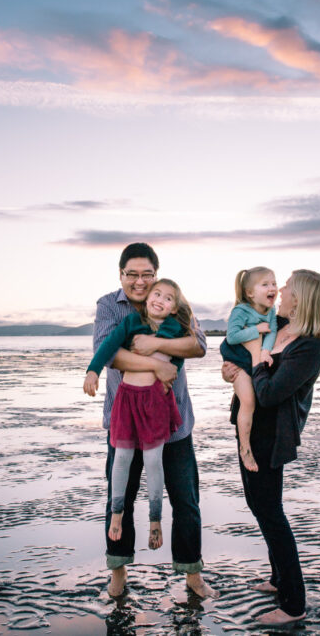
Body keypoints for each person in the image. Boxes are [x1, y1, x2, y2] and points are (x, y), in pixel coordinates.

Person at [90, 243, 216, 599]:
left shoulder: (173, 301)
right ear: (121, 275)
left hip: (173, 423)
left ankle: (192, 575)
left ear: (156, 275)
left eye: (147, 274)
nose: (140, 282)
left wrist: (151, 346)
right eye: (133, 274)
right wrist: (157, 364)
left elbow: (199, 344)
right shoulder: (108, 306)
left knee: (186, 501)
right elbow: (109, 353)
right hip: (125, 420)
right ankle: (118, 575)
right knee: (121, 497)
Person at [221, 269, 320, 625]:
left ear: (301, 296)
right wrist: (233, 371)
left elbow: (270, 393)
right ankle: (277, 579)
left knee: (271, 512)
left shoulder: (311, 345)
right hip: (250, 427)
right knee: (259, 504)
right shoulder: (279, 324)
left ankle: (293, 604)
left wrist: (251, 367)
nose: (280, 289)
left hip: (273, 436)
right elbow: (238, 346)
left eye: (286, 285)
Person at [84, 278, 193, 553]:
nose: (160, 299)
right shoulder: (131, 323)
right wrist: (93, 371)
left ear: (173, 308)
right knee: (122, 458)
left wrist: (173, 370)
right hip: (126, 401)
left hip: (156, 402)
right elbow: (108, 346)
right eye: (156, 294)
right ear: (147, 299)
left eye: (168, 298)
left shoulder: (175, 328)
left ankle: (155, 520)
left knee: (154, 461)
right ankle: (117, 514)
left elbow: (186, 352)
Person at [220, 267, 278, 473]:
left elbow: (272, 332)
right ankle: (245, 449)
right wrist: (256, 330)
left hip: (253, 358)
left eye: (274, 283)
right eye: (265, 284)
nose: (272, 288)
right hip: (237, 359)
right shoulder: (240, 311)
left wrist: (265, 351)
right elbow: (232, 337)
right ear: (250, 293)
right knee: (248, 401)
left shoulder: (271, 312)